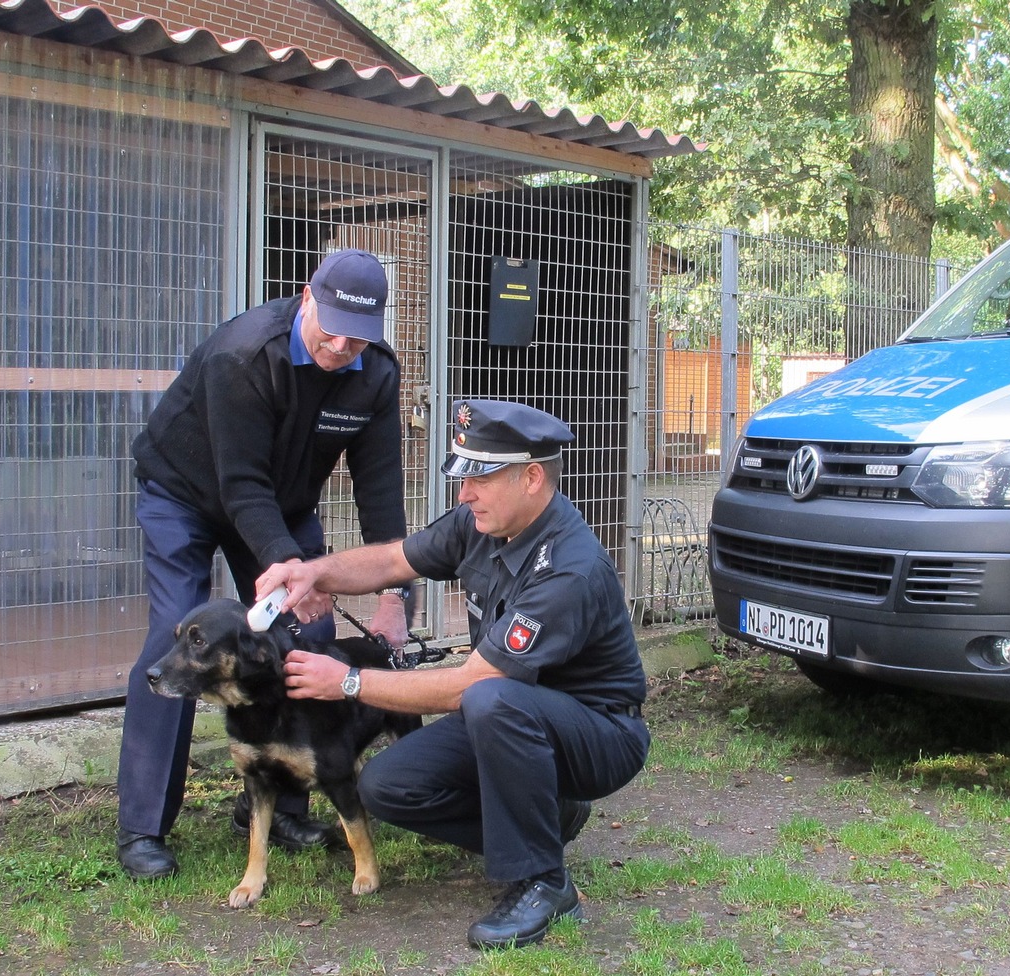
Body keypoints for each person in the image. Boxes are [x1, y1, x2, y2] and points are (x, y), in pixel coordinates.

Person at [256, 399, 650, 949]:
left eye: (480, 478)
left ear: (532, 478)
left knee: (489, 697)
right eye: (464, 476)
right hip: (518, 720)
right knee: (387, 786)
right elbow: (394, 561)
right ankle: (547, 820)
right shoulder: (482, 524)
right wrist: (313, 572)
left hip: (600, 734)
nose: (464, 493)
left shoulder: (569, 568)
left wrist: (347, 681)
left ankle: (543, 880)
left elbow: (471, 686)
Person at [116, 249, 410, 880]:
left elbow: (381, 492)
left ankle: (283, 799)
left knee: (312, 634)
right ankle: (143, 826)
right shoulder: (244, 355)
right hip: (186, 492)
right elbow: (240, 482)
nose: (340, 345)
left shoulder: (375, 375)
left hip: (282, 502)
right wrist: (290, 567)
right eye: (330, 327)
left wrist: (393, 601)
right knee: (178, 634)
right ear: (307, 297)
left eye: (358, 336)